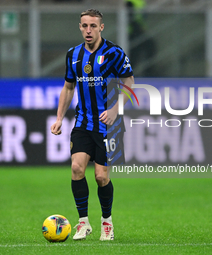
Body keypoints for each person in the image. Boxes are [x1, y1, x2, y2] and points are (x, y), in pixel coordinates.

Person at [51, 9, 134, 241]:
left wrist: (116, 109)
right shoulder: (73, 55)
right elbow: (68, 88)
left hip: (108, 125)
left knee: (101, 177)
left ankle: (107, 222)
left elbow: (129, 81)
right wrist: (59, 118)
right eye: (84, 26)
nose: (88, 30)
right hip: (83, 122)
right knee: (77, 168)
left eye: (93, 26)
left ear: (101, 27)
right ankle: (83, 223)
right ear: (80, 27)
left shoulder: (114, 53)